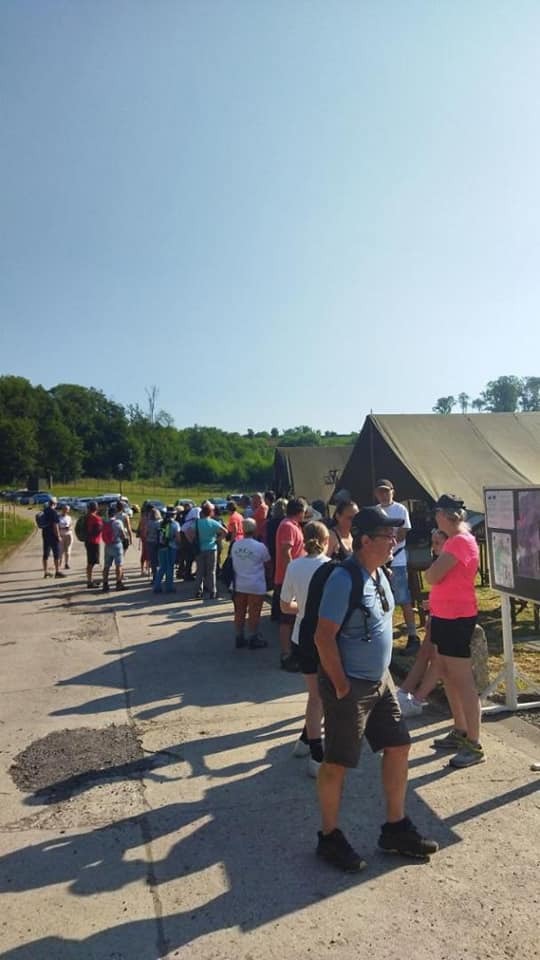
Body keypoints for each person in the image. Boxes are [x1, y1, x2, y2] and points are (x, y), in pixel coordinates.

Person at [314, 506, 438, 871]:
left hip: (380, 681)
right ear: (365, 540)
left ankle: (395, 828)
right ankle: (329, 837)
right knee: (338, 762)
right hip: (350, 684)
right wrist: (340, 685)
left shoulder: (380, 573)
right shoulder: (343, 580)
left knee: (398, 745)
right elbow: (323, 637)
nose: (394, 543)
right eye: (388, 537)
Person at [425, 494, 483, 769]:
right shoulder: (456, 540)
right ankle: (460, 729)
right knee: (448, 674)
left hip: (456, 618)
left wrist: (436, 561)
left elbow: (432, 576)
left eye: (437, 513)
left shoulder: (458, 541)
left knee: (462, 680)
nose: (435, 518)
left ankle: (474, 743)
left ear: (444, 515)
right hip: (446, 615)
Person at [280, 521, 330, 777]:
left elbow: (284, 605)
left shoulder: (294, 566)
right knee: (324, 695)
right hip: (327, 637)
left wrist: (304, 609)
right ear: (326, 541)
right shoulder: (331, 567)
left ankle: (307, 741)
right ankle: (316, 754)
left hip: (302, 636)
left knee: (315, 695)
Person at [396, 529, 448, 718]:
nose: (433, 547)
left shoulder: (450, 562)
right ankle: (405, 692)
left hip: (447, 616)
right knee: (425, 652)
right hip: (437, 614)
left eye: (437, 543)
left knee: (437, 658)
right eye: (432, 542)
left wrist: (435, 606)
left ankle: (417, 699)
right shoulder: (439, 561)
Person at [373, 479, 419, 654]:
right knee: (381, 599)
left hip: (396, 559)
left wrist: (386, 544)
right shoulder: (375, 511)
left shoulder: (400, 509)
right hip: (379, 560)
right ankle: (383, 636)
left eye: (386, 491)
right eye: (380, 492)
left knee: (403, 598)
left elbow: (402, 533)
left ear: (393, 492)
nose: (384, 495)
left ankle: (413, 635)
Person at [273, 497, 308, 669]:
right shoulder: (288, 526)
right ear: (300, 511)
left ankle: (293, 652)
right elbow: (286, 552)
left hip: (291, 577)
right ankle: (286, 655)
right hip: (287, 579)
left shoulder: (293, 525)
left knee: (293, 616)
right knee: (286, 618)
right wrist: (293, 574)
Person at [230, 517, 271, 649]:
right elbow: (267, 562)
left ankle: (239, 636)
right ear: (255, 530)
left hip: (238, 583)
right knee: (254, 612)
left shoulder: (235, 545)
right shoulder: (260, 547)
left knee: (239, 611)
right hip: (255, 583)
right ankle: (253, 636)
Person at [193, 502, 227, 600]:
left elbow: (189, 532)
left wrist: (194, 540)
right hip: (211, 548)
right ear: (210, 512)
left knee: (200, 571)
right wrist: (217, 539)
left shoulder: (197, 523)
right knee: (211, 571)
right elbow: (225, 531)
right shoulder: (213, 522)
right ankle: (213, 591)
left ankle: (198, 591)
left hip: (200, 548)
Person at [153, 506, 180, 594]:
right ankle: (169, 587)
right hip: (171, 547)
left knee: (162, 567)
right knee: (170, 567)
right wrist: (179, 544)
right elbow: (178, 536)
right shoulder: (175, 524)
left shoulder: (160, 523)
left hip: (161, 547)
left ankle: (157, 586)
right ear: (174, 514)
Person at [102, 506, 128, 592]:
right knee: (119, 565)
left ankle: (105, 584)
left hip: (107, 545)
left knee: (106, 566)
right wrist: (125, 540)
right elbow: (123, 535)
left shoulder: (105, 522)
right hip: (117, 544)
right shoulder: (118, 522)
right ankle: (118, 583)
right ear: (115, 514)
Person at [41, 497, 64, 579]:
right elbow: (55, 525)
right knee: (56, 553)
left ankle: (45, 572)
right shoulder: (54, 512)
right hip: (53, 536)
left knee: (45, 554)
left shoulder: (45, 511)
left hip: (45, 534)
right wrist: (58, 536)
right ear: (54, 504)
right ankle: (57, 571)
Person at [85, 501, 103, 588]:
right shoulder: (97, 518)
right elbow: (99, 529)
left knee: (90, 562)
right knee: (92, 562)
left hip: (88, 541)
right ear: (96, 508)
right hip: (94, 541)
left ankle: (90, 580)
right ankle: (89, 581)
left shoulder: (87, 517)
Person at [58, 504, 73, 570]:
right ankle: (59, 564)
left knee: (68, 550)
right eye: (64, 509)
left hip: (68, 535)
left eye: (67, 509)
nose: (65, 510)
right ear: (62, 510)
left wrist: (69, 527)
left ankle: (67, 564)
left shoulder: (69, 517)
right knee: (61, 550)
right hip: (61, 535)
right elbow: (56, 526)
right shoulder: (58, 517)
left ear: (68, 510)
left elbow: (71, 525)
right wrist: (62, 528)